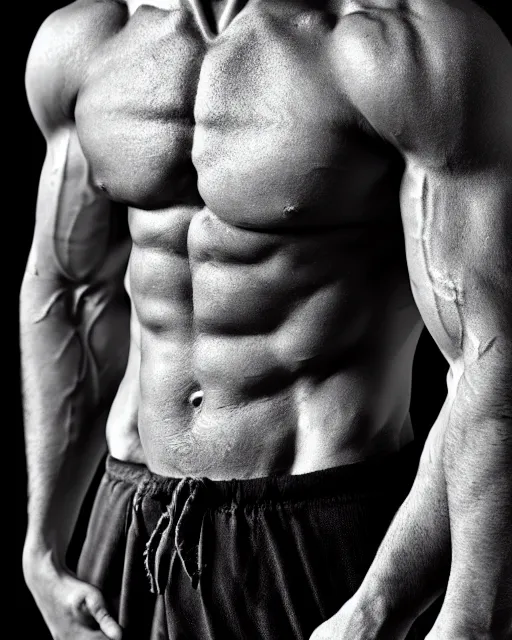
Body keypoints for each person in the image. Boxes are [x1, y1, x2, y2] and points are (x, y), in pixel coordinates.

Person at [20, 0, 511, 639]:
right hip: (131, 524)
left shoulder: (405, 44)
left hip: (320, 540)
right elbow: (75, 291)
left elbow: (491, 352)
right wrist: (44, 545)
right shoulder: (87, 40)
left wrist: (453, 615)